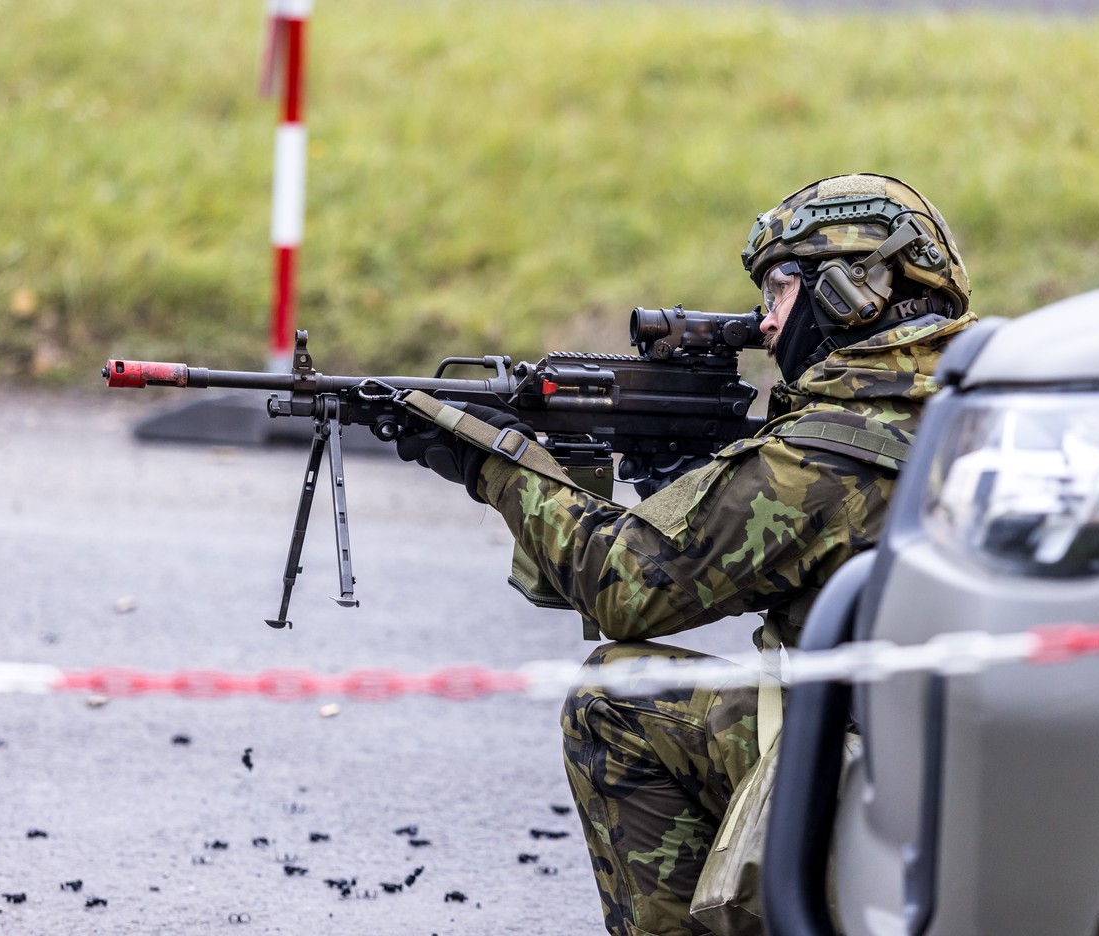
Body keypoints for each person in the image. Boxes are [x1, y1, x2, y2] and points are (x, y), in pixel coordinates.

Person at [393, 173, 976, 935]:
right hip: (977, 760)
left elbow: (624, 587)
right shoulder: (984, 401)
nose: (765, 325)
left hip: (877, 773)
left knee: (617, 697)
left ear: (850, 290)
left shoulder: (824, 456)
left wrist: (498, 464)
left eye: (779, 291)